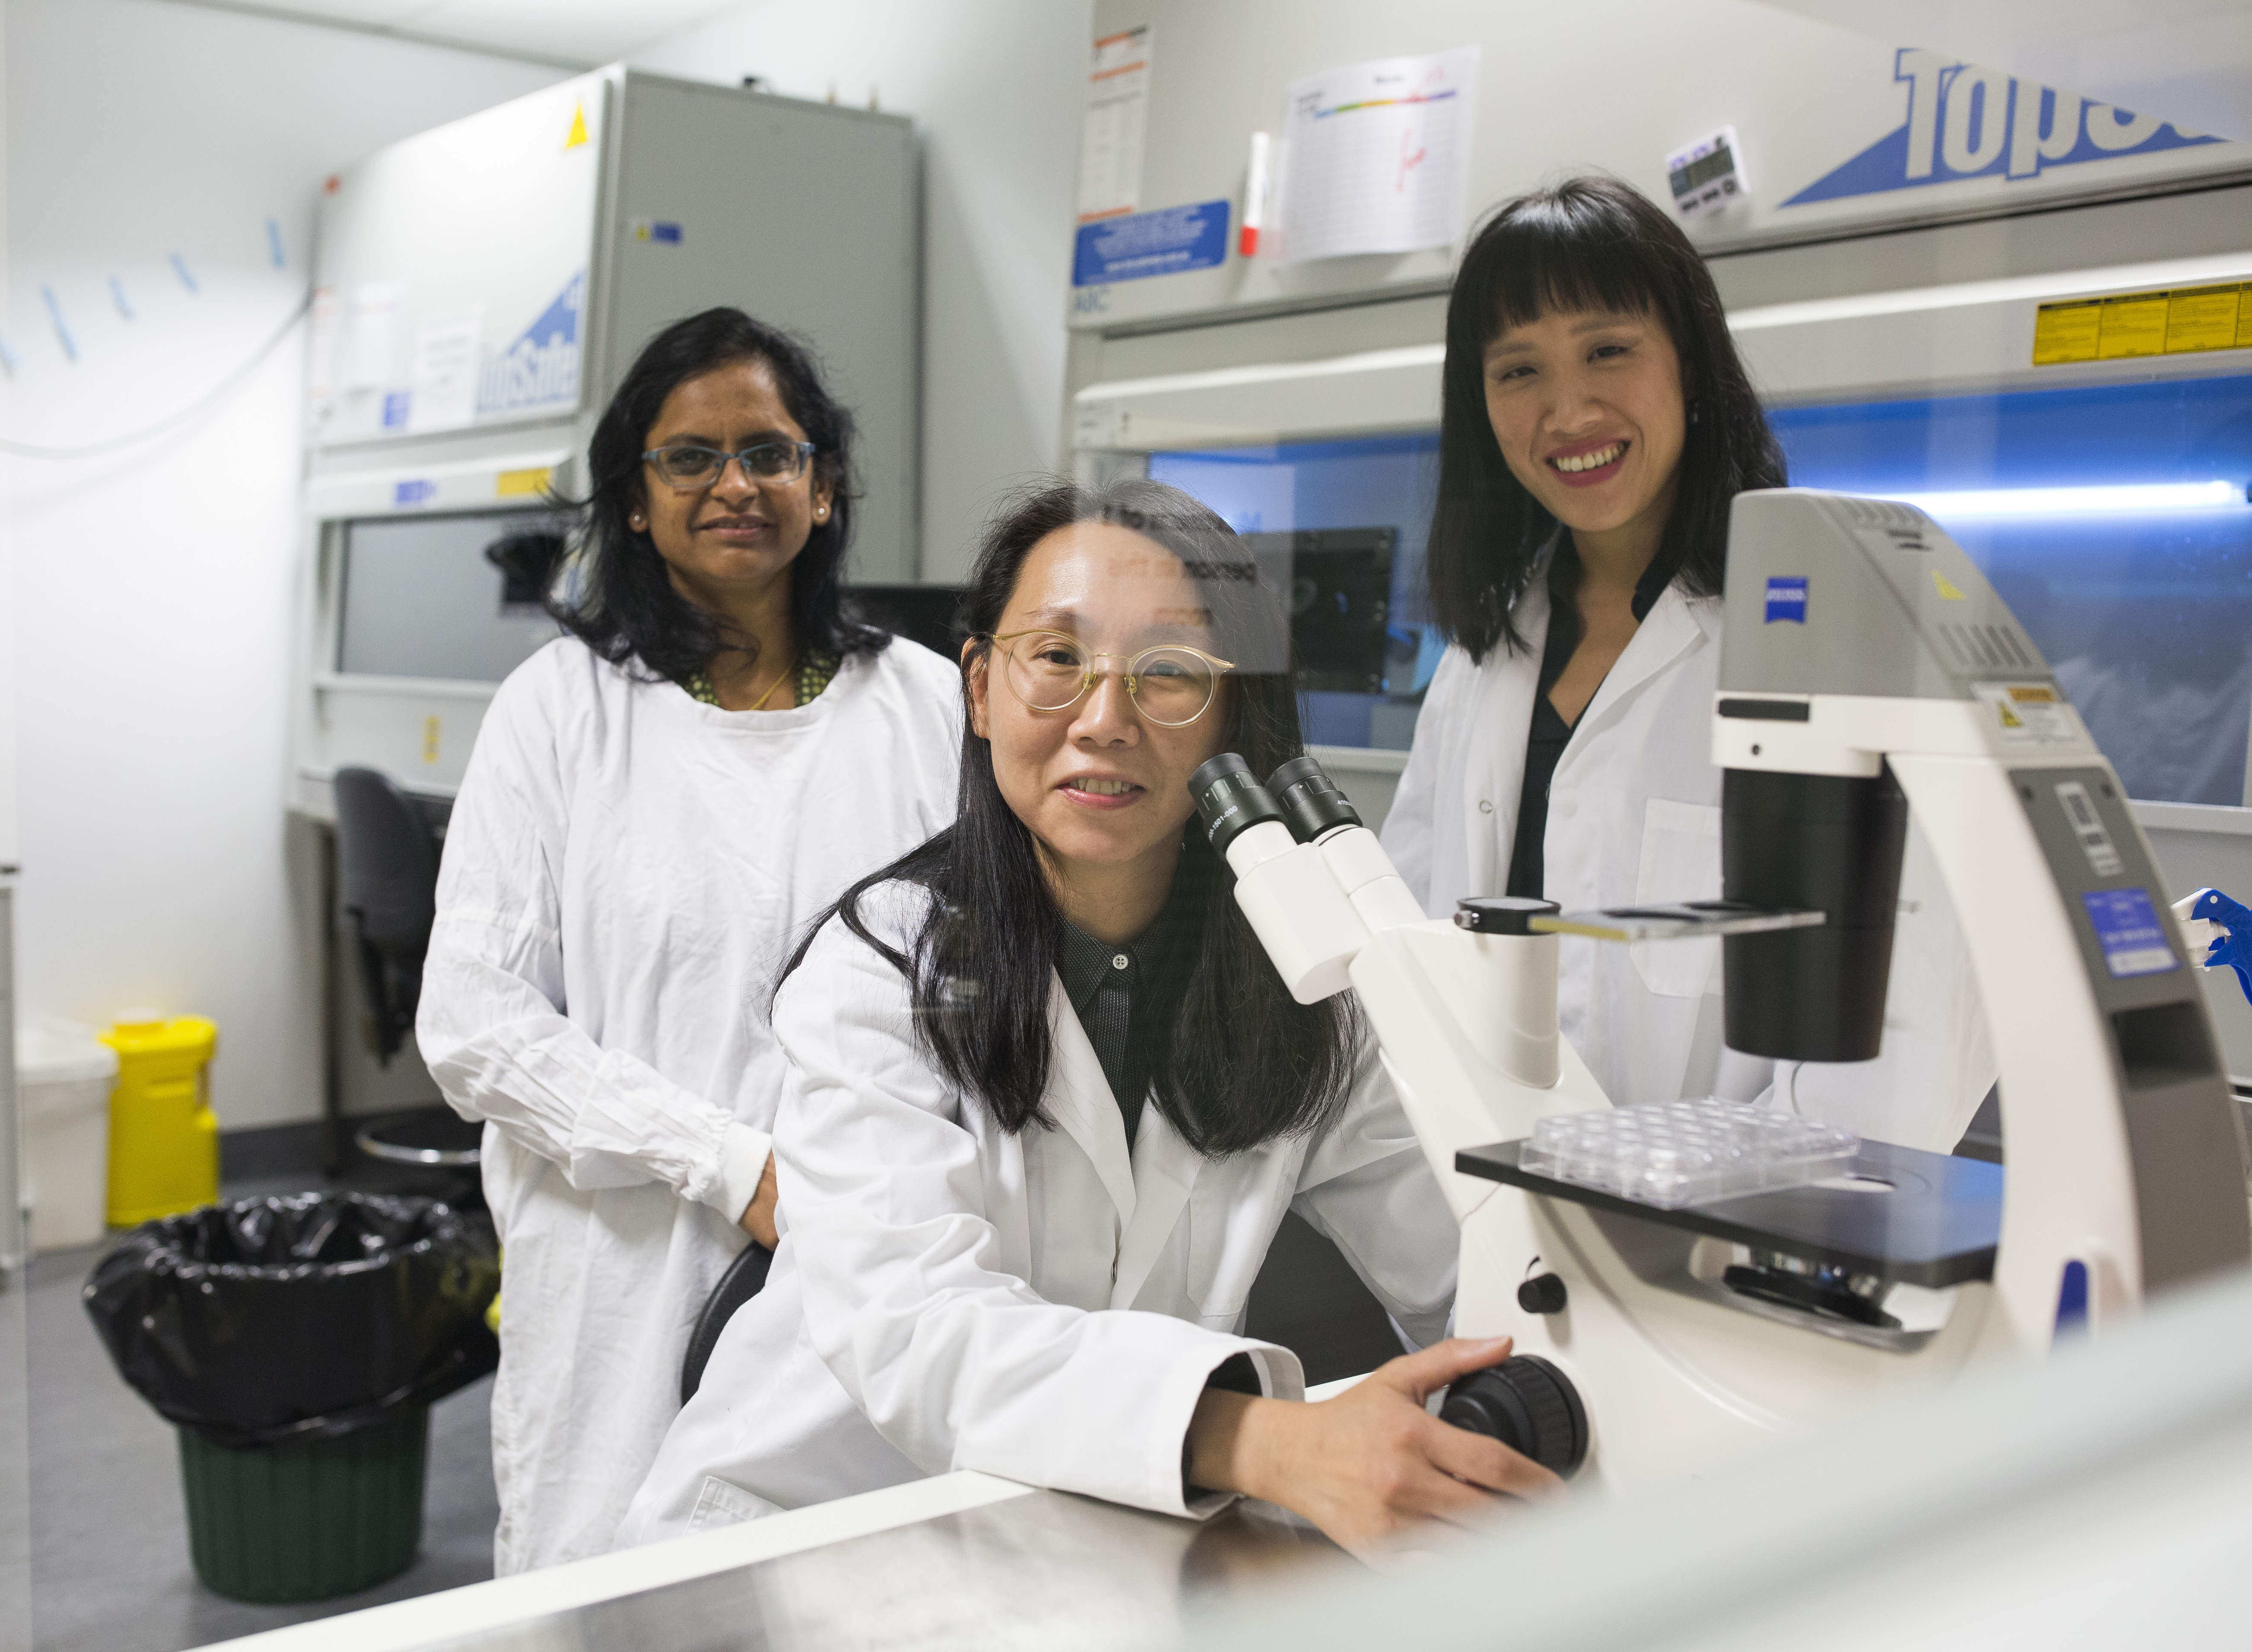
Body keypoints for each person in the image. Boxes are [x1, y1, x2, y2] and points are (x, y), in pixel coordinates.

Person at [618, 478, 1560, 1556]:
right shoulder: (880, 971)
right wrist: (1265, 1441)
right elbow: (919, 1333)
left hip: (1083, 1546)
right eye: (1058, 660)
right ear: (980, 689)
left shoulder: (1302, 988)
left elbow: (1472, 1259)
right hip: (803, 1545)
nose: (1104, 722)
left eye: (1168, 673)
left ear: (1234, 710)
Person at [415, 307, 963, 1573]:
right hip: (626, 1269)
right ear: (636, 498)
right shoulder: (558, 712)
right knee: (605, 1589)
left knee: (851, 1589)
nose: (736, 485)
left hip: (874, 1260)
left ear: (823, 489)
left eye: (771, 453)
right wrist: (732, 1164)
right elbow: (474, 1023)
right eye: (691, 458)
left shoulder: (929, 706)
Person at [1377, 176, 1992, 1148]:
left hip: (1731, 1255)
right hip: (1490, 1234)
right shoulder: (1480, 659)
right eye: (1517, 370)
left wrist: (1697, 1252)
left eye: (1608, 351)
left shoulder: (1840, 638)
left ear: (1692, 365)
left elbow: (1911, 1036)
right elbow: (1409, 965)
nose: (1567, 410)